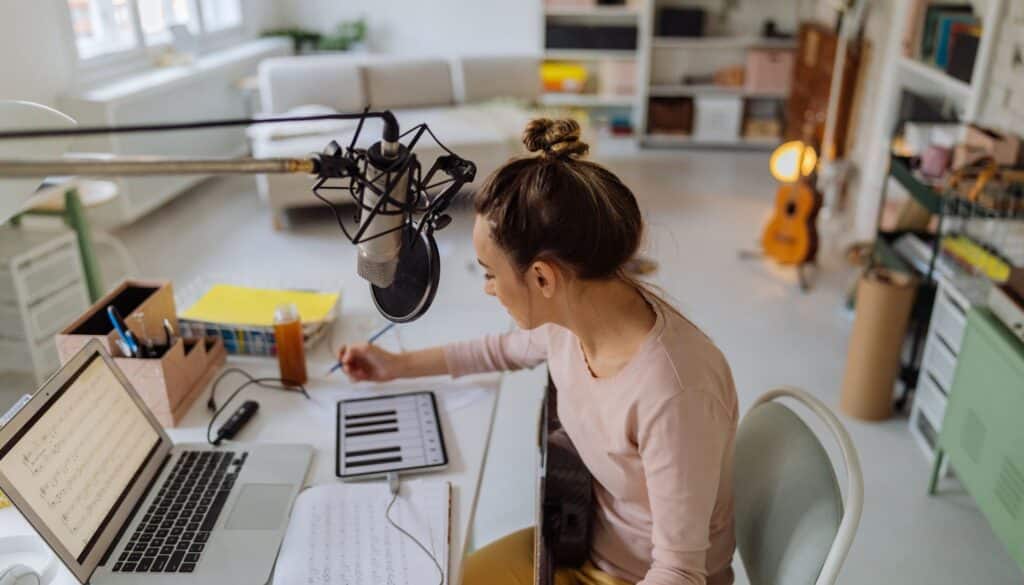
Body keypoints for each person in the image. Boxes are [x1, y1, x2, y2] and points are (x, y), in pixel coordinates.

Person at [337, 119, 738, 585]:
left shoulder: (675, 391)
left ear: (543, 278)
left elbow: (680, 572)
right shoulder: (576, 316)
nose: (488, 289)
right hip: (580, 543)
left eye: (489, 273)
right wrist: (396, 365)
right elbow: (500, 350)